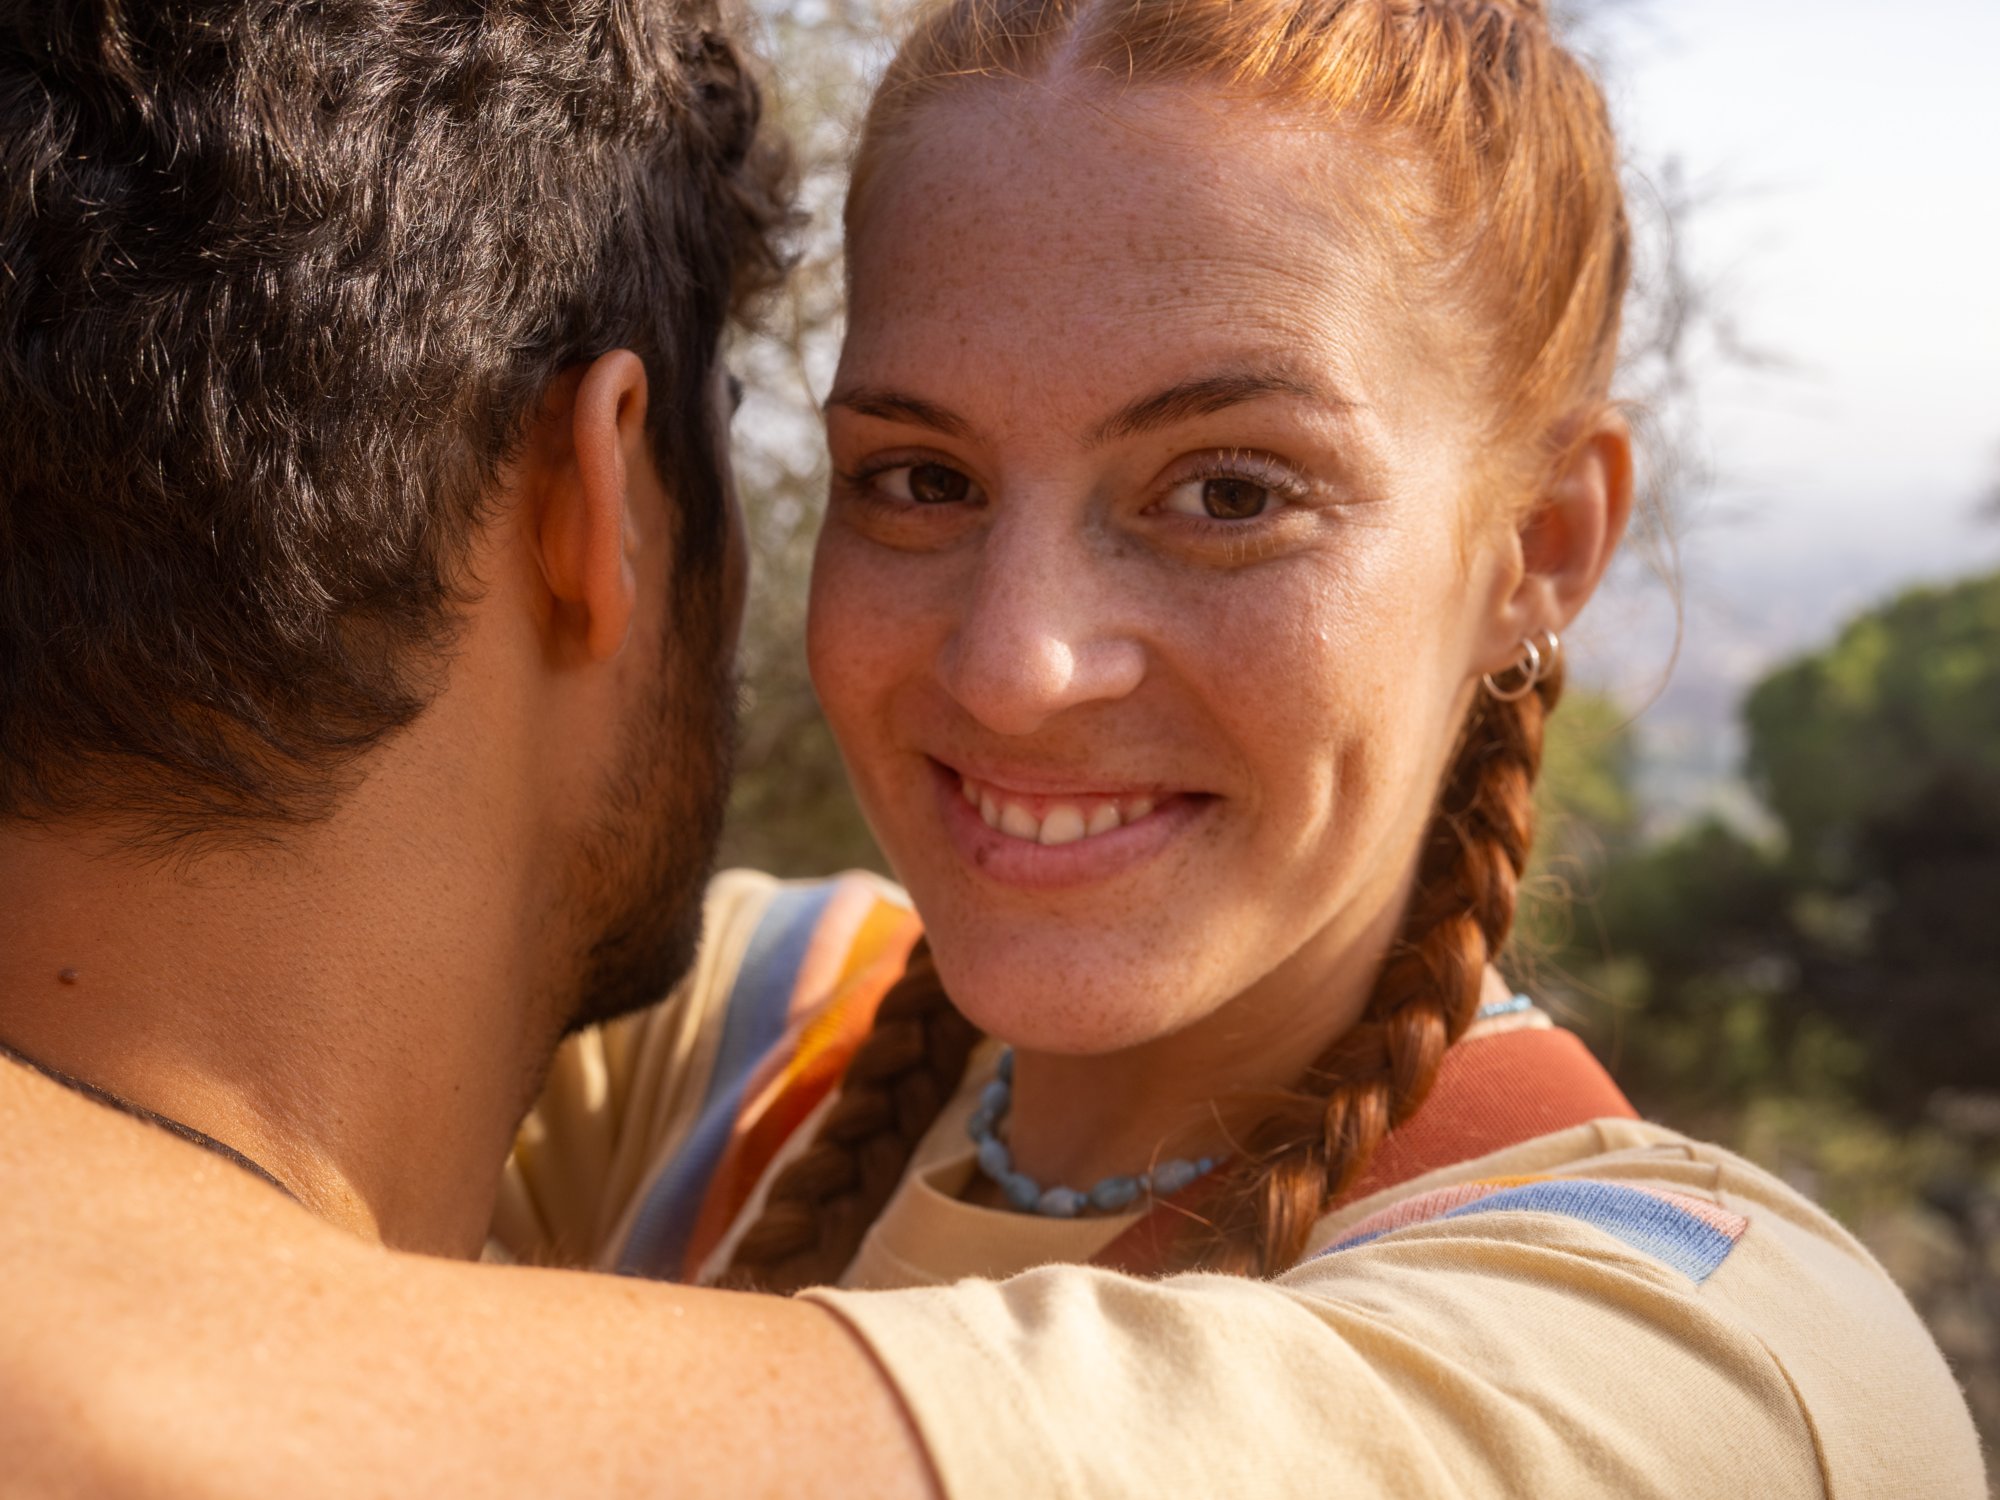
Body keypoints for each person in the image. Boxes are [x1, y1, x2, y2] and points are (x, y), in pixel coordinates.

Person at [0, 6, 1983, 1500]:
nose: (1018, 663)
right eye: (919, 477)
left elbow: (183, 1398)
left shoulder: (1704, 1365)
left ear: (1540, 543)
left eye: (1226, 491)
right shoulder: (746, 1038)